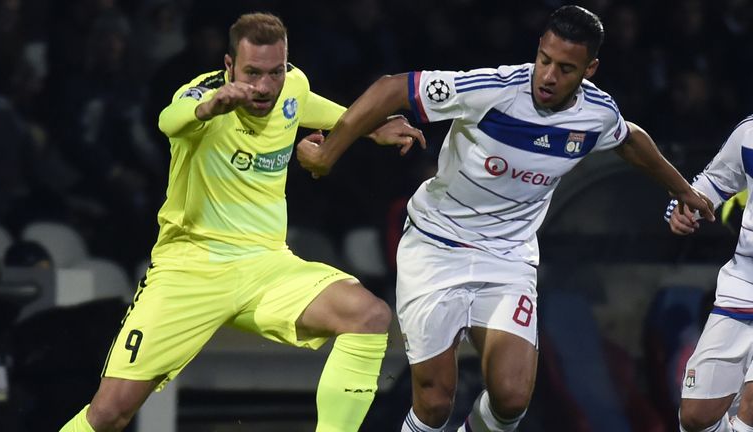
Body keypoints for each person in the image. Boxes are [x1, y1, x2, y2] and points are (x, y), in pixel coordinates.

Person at [296, 5, 715, 432]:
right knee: (436, 400)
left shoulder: (596, 114)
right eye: (544, 60)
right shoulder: (492, 89)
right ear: (538, 50)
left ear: (590, 69)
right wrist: (329, 154)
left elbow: (630, 139)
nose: (549, 76)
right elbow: (390, 89)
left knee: (512, 398)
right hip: (438, 245)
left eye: (565, 68)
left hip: (508, 257)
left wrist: (683, 190)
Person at [61, 12, 423, 432]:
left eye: (275, 72)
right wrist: (208, 107)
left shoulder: (292, 86)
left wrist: (370, 127)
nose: (265, 86)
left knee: (369, 315)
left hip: (266, 267)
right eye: (252, 73)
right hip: (190, 269)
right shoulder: (203, 100)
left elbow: (307, 105)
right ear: (229, 66)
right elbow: (168, 120)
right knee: (110, 413)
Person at [666, 114, 753, 432]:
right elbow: (713, 184)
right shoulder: (749, 133)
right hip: (743, 284)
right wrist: (681, 209)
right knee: (695, 418)